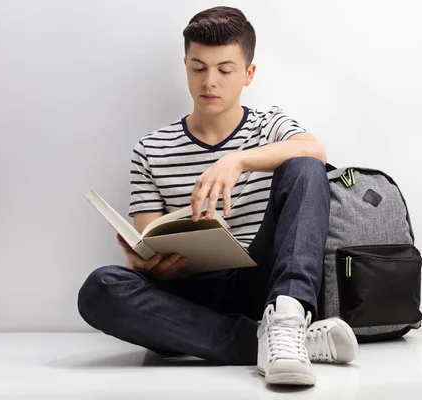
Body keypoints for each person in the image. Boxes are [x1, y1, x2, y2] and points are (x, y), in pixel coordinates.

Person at [77, 6, 358, 386]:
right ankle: (278, 342)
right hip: (189, 294)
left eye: (225, 70)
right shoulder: (150, 149)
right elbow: (147, 239)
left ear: (248, 74)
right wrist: (148, 265)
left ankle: (287, 320)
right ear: (186, 66)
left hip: (261, 285)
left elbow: (316, 151)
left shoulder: (269, 126)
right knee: (100, 289)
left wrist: (238, 161)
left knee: (305, 166)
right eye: (198, 68)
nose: (210, 81)